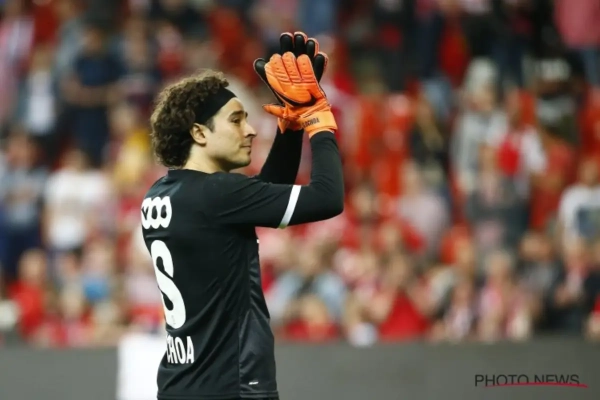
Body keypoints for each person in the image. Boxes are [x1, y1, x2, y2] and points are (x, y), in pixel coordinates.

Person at [141, 32, 343, 400]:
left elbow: (260, 196)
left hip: (179, 385)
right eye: (236, 120)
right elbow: (328, 198)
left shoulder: (160, 194)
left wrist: (290, 126)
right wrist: (318, 119)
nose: (250, 130)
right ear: (199, 132)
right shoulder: (217, 194)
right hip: (231, 386)